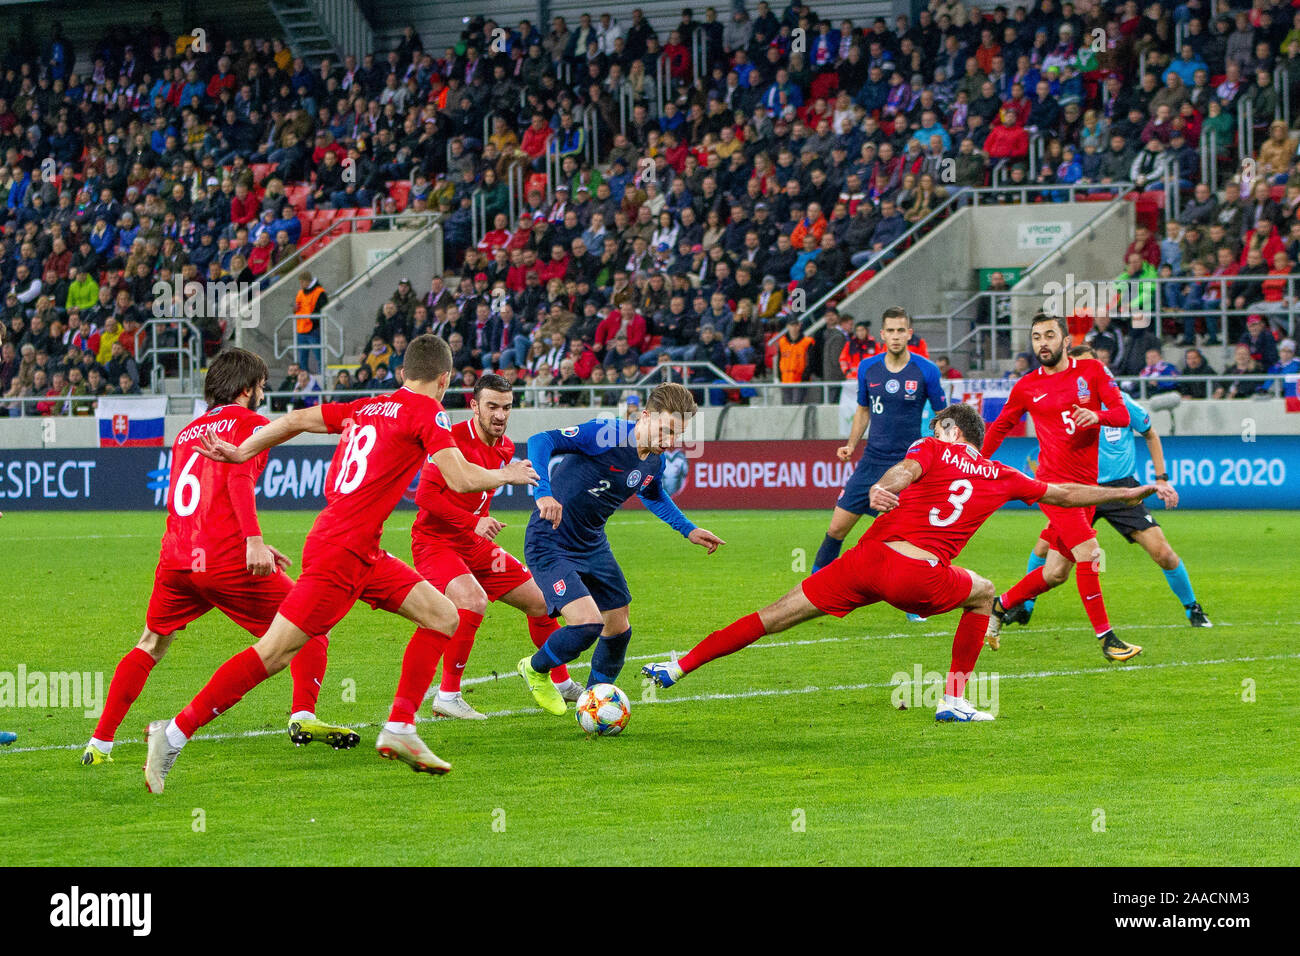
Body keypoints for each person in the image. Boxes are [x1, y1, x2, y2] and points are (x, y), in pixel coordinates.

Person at [142, 335, 539, 792]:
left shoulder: (367, 406)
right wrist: (505, 473)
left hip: (361, 548)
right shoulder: (427, 411)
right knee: (274, 653)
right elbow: (461, 477)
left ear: (401, 373)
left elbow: (294, 419)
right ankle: (172, 734)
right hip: (340, 552)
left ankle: (401, 728)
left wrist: (244, 449)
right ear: (445, 380)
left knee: (443, 614)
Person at [642, 403, 1154, 721]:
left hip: (866, 562)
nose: (933, 428)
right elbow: (1063, 492)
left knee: (774, 615)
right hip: (915, 575)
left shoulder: (933, 445)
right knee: (983, 591)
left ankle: (676, 665)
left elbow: (904, 470)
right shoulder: (1000, 473)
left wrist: (882, 490)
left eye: (938, 423)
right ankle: (954, 699)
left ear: (953, 429)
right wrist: (1128, 493)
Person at [82, 349, 355, 766]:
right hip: (226, 560)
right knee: (310, 624)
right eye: (262, 386)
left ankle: (99, 744)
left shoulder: (188, 432)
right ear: (247, 389)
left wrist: (251, 541)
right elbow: (238, 480)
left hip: (177, 559)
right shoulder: (252, 424)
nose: (263, 394)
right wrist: (252, 540)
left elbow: (189, 499)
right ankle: (302, 715)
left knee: (151, 644)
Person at [515, 383, 725, 715]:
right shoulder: (606, 433)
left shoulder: (654, 462)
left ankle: (593, 702)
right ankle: (535, 669)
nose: (670, 441)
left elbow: (653, 495)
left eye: (677, 434)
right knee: (587, 625)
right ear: (644, 416)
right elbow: (543, 440)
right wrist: (542, 491)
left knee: (618, 626)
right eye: (666, 430)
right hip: (550, 539)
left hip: (592, 542)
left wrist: (689, 529)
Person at [410, 373, 584, 720]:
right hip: (436, 544)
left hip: (475, 545)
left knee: (541, 601)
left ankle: (562, 682)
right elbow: (425, 495)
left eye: (506, 407)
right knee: (471, 601)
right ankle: (447, 696)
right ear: (474, 406)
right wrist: (473, 521)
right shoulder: (451, 441)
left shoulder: (504, 447)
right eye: (491, 406)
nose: (500, 415)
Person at [1007, 345, 1212, 631]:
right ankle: (1024, 607)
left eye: (1096, 365)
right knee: (1047, 554)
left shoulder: (1121, 401)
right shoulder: (1065, 403)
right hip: (1079, 489)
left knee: (1162, 552)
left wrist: (1162, 477)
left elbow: (1150, 433)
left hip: (1121, 491)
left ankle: (1193, 609)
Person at [981, 313, 1142, 661]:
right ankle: (1107, 639)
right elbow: (999, 427)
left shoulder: (1093, 372)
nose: (1043, 343)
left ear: (1066, 341)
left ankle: (998, 606)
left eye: (1050, 335)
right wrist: (975, 460)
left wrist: (1098, 416)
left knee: (1055, 573)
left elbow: (1122, 415)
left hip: (1087, 489)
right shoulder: (1026, 386)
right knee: (1090, 554)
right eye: (1037, 336)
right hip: (1053, 489)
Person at [812, 308, 947, 615]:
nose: (897, 336)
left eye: (902, 330)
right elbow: (863, 410)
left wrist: (939, 450)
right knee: (836, 529)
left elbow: (943, 416)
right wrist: (850, 445)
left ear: (909, 334)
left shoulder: (926, 371)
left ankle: (913, 604)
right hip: (871, 461)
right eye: (891, 331)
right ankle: (813, 589)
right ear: (882, 335)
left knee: (902, 541)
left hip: (904, 467)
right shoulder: (868, 368)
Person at [293, 272, 327, 373]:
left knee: (319, 357)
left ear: (308, 281)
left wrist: (313, 320)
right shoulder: (300, 292)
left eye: (302, 282)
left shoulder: (319, 292)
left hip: (313, 329)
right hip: (301, 329)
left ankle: (322, 377)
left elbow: (322, 308)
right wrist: (294, 309)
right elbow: (297, 307)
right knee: (302, 359)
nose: (301, 284)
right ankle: (304, 379)